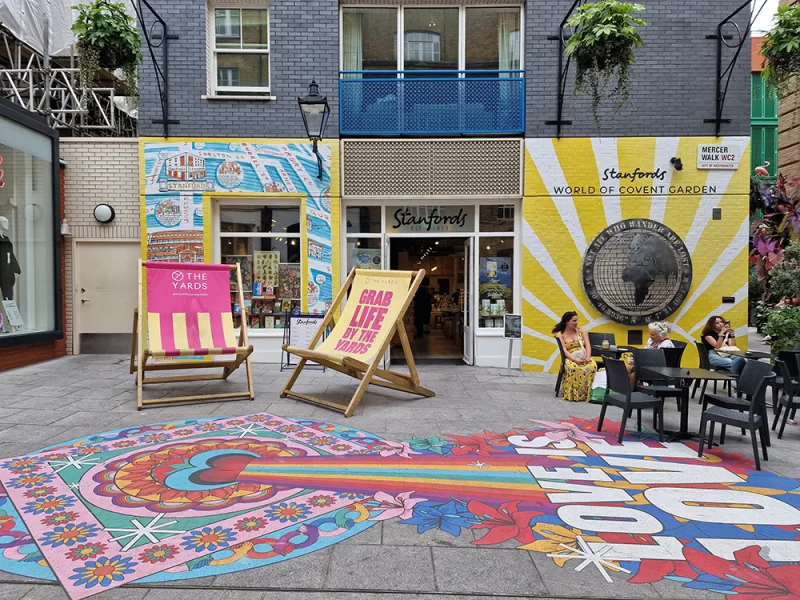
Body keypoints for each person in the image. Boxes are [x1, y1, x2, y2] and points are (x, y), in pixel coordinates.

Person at [553, 311, 597, 402]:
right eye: (574, 321)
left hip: (583, 355)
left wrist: (588, 357)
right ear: (567, 321)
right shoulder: (560, 334)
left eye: (577, 320)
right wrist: (574, 360)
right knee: (573, 368)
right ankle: (574, 393)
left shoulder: (581, 331)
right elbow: (564, 350)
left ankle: (587, 393)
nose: (576, 323)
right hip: (571, 357)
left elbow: (588, 345)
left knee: (592, 366)